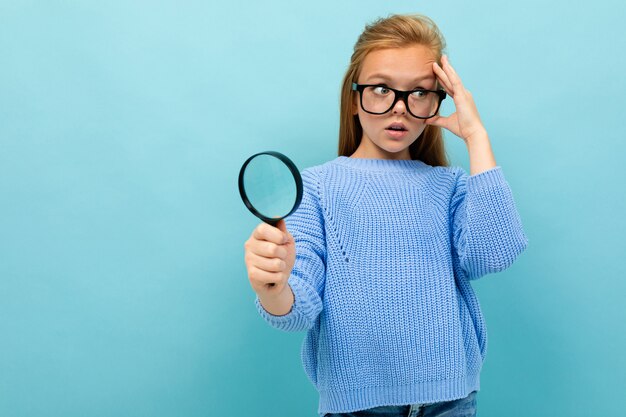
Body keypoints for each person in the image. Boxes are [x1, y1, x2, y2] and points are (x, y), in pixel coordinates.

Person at [243, 12, 529, 417]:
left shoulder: (450, 187)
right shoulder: (317, 188)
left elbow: (494, 252)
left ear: (437, 101)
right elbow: (297, 309)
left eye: (419, 93)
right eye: (381, 89)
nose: (400, 108)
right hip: (357, 408)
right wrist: (271, 286)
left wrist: (476, 136)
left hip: (450, 402)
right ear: (354, 98)